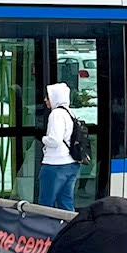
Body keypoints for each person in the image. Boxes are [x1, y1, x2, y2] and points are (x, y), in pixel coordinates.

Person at [39, 82, 81, 211]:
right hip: (71, 164)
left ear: (55, 97)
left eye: (48, 96)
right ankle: (69, 230)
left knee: (46, 205)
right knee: (66, 203)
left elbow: (54, 140)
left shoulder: (56, 114)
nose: (45, 99)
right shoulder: (70, 113)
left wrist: (43, 138)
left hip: (55, 165)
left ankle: (43, 230)